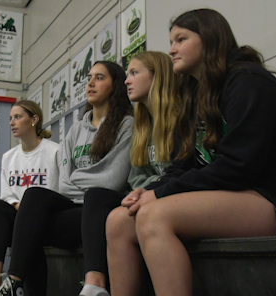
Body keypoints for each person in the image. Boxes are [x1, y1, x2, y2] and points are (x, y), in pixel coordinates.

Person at [106, 8, 276, 296]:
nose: (172, 49)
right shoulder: (195, 93)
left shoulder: (248, 82)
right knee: (118, 220)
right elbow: (184, 163)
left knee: (154, 216)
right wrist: (150, 190)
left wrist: (160, 195)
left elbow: (239, 166)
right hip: (235, 194)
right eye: (171, 41)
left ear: (209, 39)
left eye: (181, 39)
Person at [0, 61, 134, 296]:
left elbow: (114, 179)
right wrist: (81, 188)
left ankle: (95, 286)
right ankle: (13, 283)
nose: (90, 83)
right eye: (89, 77)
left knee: (95, 196)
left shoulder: (126, 125)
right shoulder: (76, 129)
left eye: (99, 78)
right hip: (75, 212)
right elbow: (63, 181)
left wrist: (81, 186)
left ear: (116, 86)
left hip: (102, 210)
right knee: (34, 196)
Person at [79, 51, 182, 296]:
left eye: (134, 73)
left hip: (176, 194)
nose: (126, 81)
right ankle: (94, 287)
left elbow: (186, 169)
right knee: (110, 213)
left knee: (109, 205)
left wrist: (152, 189)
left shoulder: (181, 116)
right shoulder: (142, 124)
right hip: (150, 194)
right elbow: (136, 176)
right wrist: (143, 189)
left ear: (158, 78)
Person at [0, 100, 60, 296]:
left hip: (45, 216)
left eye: (17, 117)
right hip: (17, 214)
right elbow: (6, 195)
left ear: (34, 120)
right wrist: (17, 206)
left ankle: (2, 286)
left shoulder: (54, 151)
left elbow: (58, 190)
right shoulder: (9, 157)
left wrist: (28, 209)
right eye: (10, 118)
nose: (11, 123)